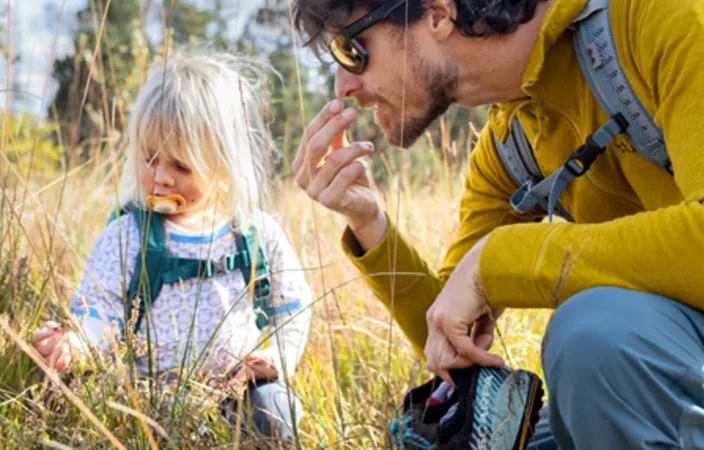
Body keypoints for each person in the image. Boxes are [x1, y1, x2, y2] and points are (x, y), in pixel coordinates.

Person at [290, 0, 704, 448]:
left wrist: (499, 259)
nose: (343, 85)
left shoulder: (663, 17)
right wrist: (367, 220)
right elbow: (453, 333)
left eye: (352, 49)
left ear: (437, 13)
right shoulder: (511, 142)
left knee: (591, 336)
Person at [31, 50, 312, 440]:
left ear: (225, 164)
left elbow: (293, 305)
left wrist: (278, 357)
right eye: (149, 160)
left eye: (181, 166)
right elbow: (101, 315)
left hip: (235, 392)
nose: (160, 178)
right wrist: (76, 343)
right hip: (147, 400)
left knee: (275, 414)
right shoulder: (127, 237)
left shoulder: (254, 233)